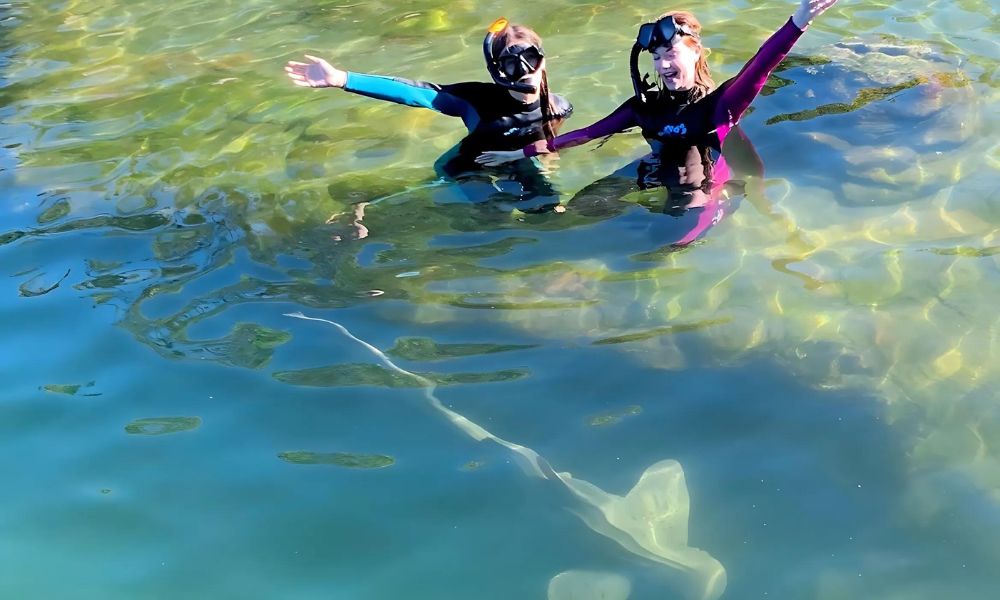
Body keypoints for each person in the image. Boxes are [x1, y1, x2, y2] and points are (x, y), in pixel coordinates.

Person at [475, 0, 840, 168]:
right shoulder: (644, 109)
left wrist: (799, 19)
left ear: (697, 53)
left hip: (704, 186)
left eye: (672, 52)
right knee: (582, 210)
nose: (663, 64)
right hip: (658, 170)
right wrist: (516, 154)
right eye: (656, 55)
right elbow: (583, 134)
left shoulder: (721, 105)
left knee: (673, 242)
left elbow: (762, 64)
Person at [285, 18, 573, 217]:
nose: (525, 72)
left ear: (543, 59)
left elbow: (546, 136)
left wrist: (545, 156)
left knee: (550, 210)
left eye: (531, 60)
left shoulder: (559, 107)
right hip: (465, 166)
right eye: (511, 66)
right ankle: (369, 205)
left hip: (514, 160)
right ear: (497, 71)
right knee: (494, 216)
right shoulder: (476, 100)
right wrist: (342, 78)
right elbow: (414, 92)